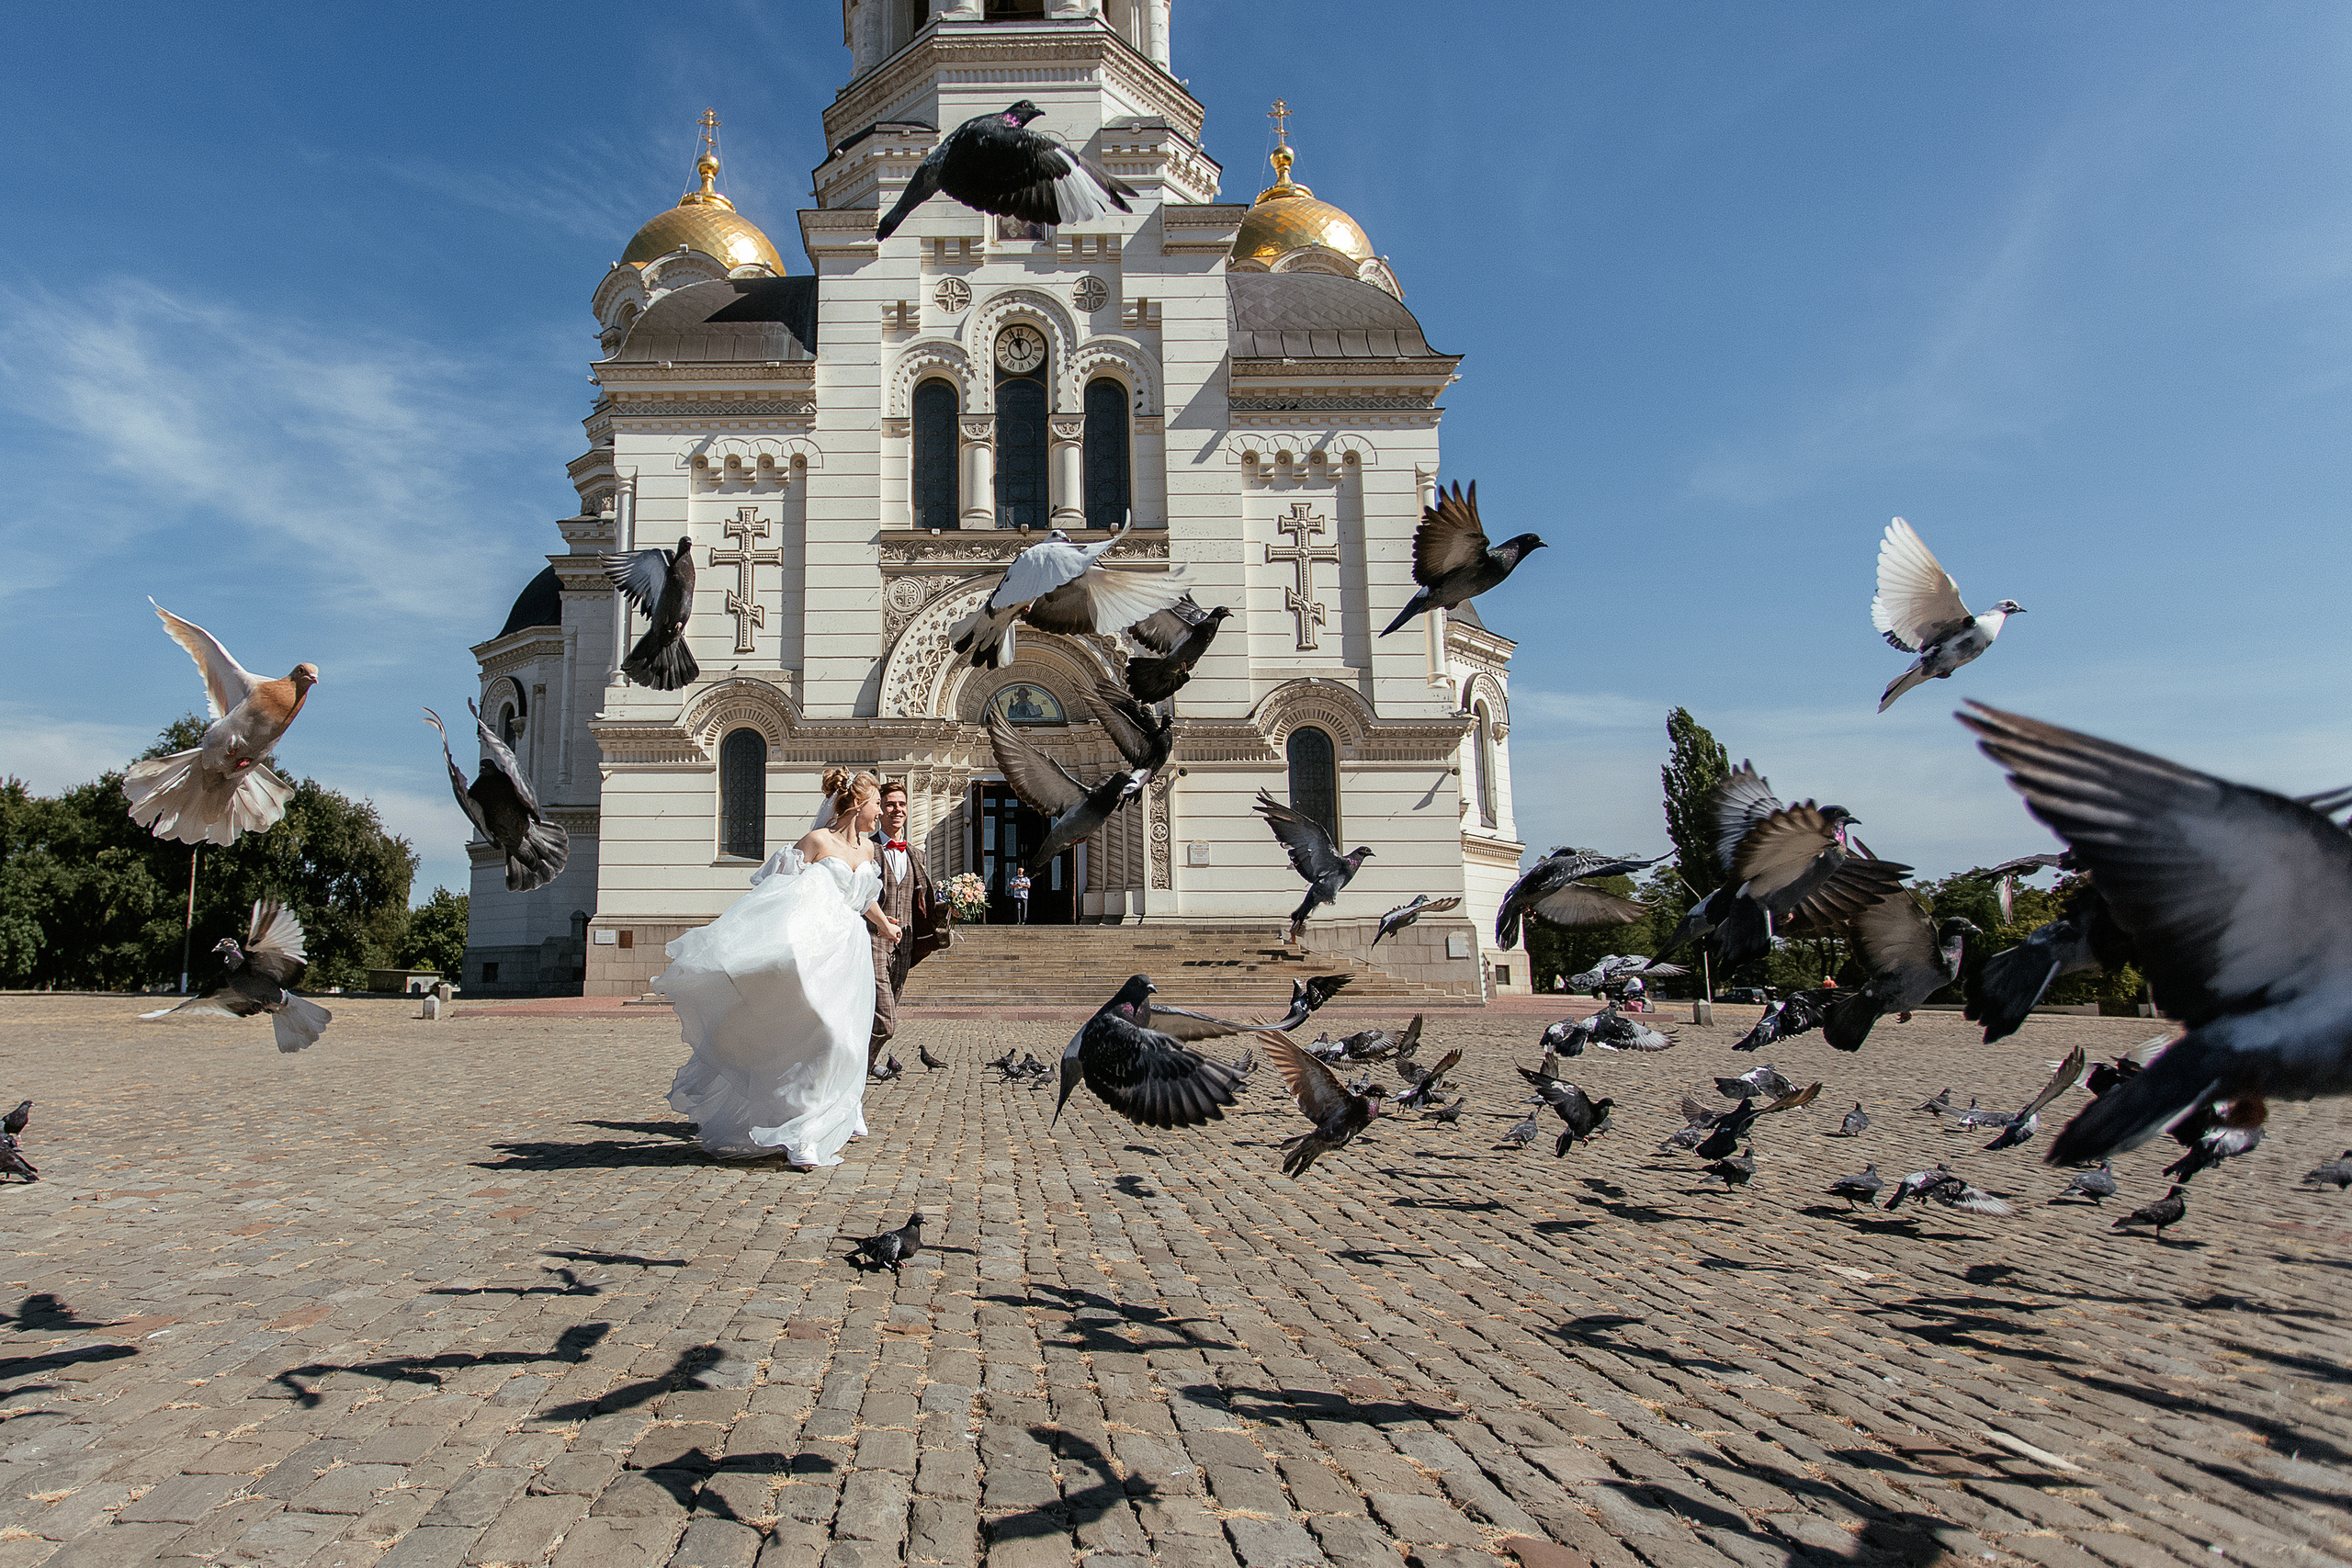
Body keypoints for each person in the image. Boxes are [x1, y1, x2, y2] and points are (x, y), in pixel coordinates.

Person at [651, 767, 896, 1169]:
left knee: (849, 1038)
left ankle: (834, 1112)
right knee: (825, 1033)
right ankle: (799, 1130)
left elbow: (864, 896)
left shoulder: (869, 851)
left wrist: (886, 926)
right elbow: (776, 887)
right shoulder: (818, 841)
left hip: (849, 955)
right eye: (876, 805)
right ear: (858, 804)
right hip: (815, 948)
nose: (880, 813)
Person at [868, 779, 946, 1076]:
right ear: (879, 810)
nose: (896, 809)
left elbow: (921, 903)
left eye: (901, 804)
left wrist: (951, 908)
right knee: (886, 1020)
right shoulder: (868, 849)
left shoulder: (917, 854)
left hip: (905, 945)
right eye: (889, 804)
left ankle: (856, 1072)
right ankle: (858, 1072)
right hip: (872, 941)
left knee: (881, 1014)